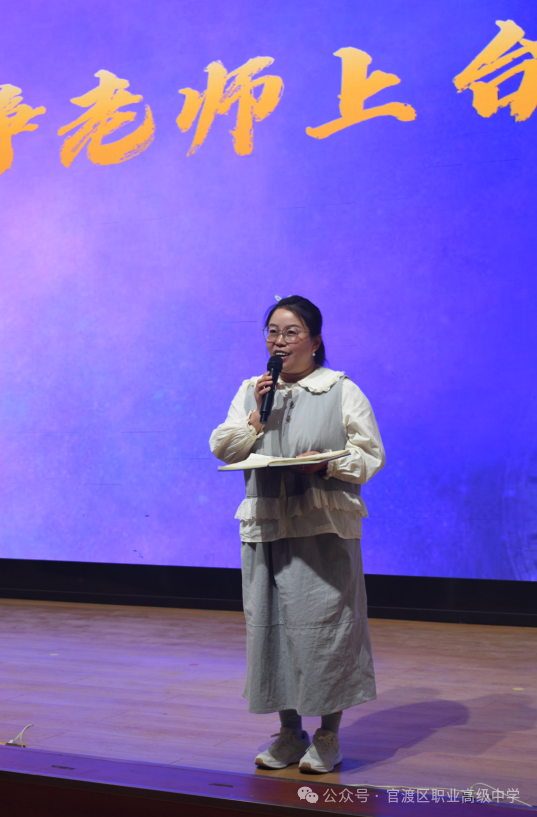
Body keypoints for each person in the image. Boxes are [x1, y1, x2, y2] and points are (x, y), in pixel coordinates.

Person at [209, 295, 385, 774]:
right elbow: (224, 447)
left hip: (322, 524)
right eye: (272, 332)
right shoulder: (252, 390)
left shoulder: (340, 389)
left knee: (327, 629)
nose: (279, 341)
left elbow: (369, 455)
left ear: (315, 340)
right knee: (273, 628)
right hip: (267, 523)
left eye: (291, 332)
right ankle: (290, 732)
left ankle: (328, 736)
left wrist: (326, 464)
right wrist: (255, 417)